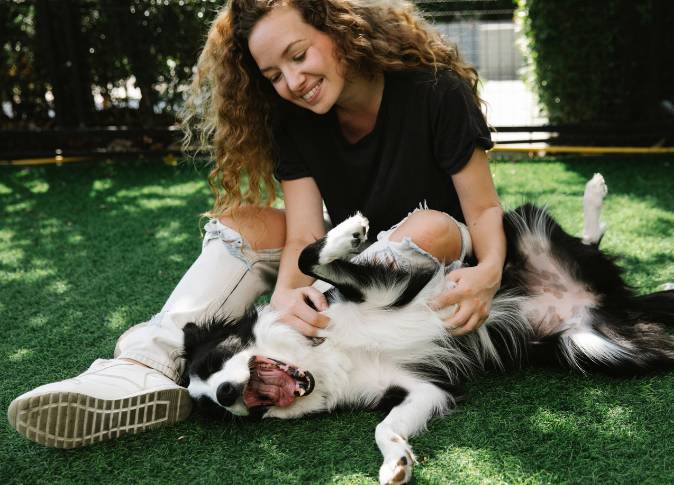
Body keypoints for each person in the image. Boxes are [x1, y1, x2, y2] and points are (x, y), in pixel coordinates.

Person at [8, 0, 505, 448]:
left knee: (430, 225)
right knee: (239, 222)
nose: (292, 82)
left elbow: (481, 211)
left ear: (342, 26)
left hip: (439, 252)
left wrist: (490, 273)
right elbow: (305, 234)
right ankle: (143, 365)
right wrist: (289, 294)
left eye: (298, 54)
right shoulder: (295, 118)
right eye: (273, 74)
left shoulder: (436, 88)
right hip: (352, 246)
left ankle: (343, 325)